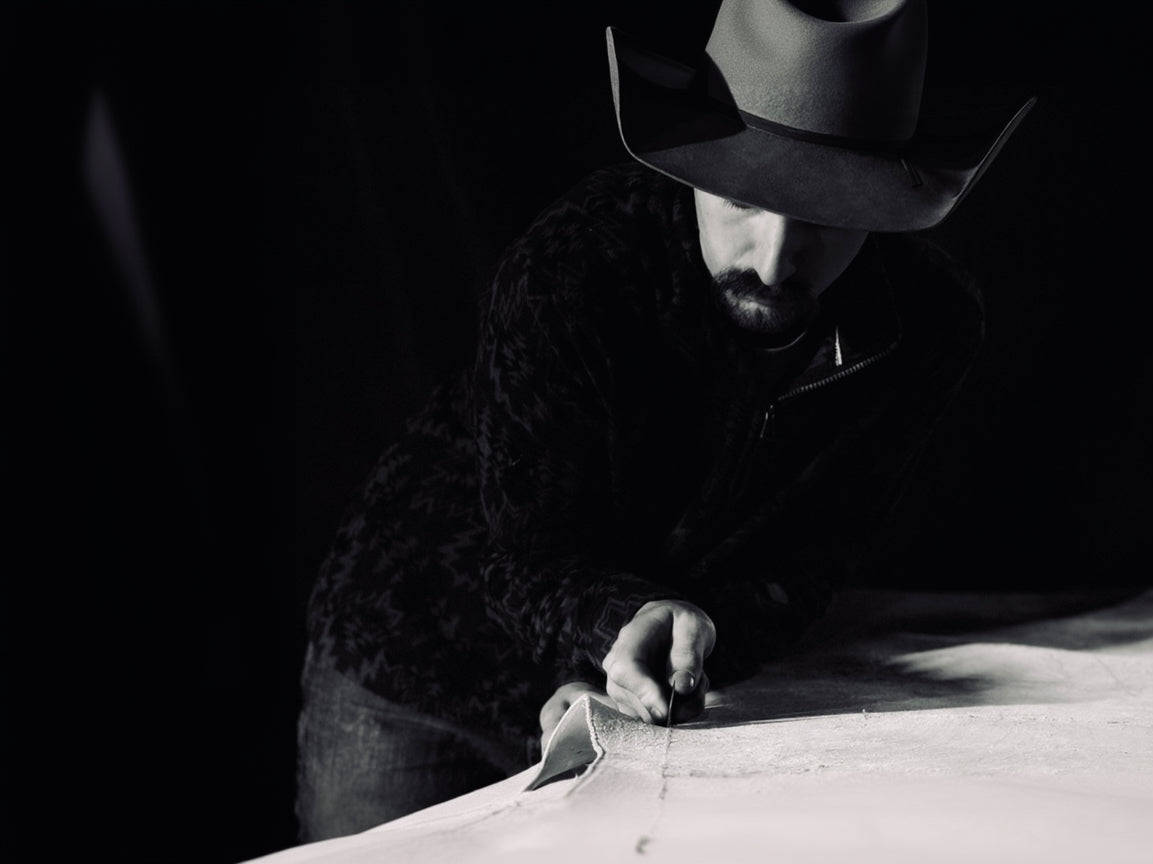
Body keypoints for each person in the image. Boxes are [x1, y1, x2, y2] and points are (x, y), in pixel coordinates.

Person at [296, 0, 1033, 841]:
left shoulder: (930, 325)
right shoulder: (576, 269)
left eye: (828, 215)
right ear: (692, 168)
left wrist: (684, 650)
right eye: (743, 202)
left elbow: (810, 558)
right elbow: (526, 552)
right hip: (416, 658)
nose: (774, 260)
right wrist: (614, 633)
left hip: (644, 711)